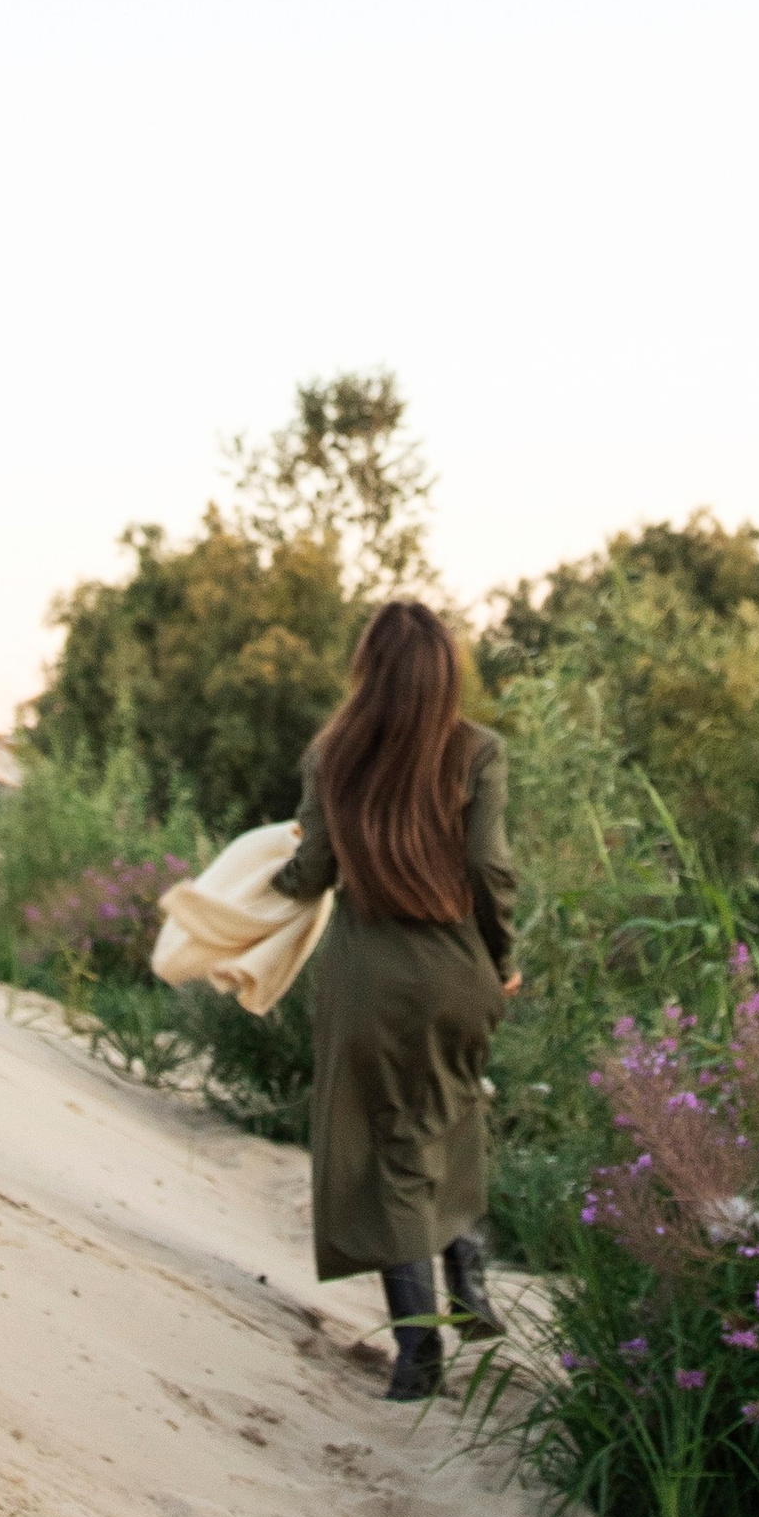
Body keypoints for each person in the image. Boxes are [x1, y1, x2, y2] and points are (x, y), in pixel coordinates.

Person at [272, 597, 515, 1401]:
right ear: (446, 673)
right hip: (459, 964)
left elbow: (309, 875)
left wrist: (259, 882)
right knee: (451, 1108)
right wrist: (499, 957)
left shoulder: (332, 754)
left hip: (369, 970)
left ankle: (420, 1355)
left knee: (387, 1153)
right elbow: (489, 870)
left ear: (368, 670)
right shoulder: (479, 752)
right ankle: (468, 1278)